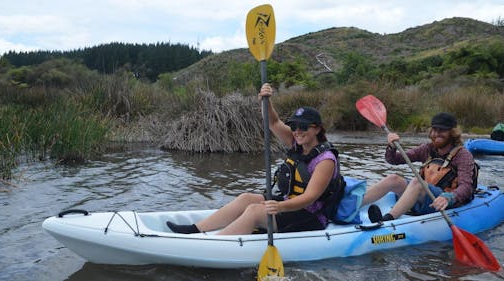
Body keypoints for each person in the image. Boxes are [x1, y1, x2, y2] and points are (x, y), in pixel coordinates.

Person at [166, 83, 344, 235]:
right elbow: (273, 123)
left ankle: (216, 242)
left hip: (310, 217)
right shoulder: (296, 143)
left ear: (317, 129)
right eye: (294, 126)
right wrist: (266, 101)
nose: (297, 131)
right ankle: (195, 230)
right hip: (290, 204)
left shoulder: (325, 160)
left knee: (254, 211)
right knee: (246, 198)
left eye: (303, 126)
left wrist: (279, 207)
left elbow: (310, 198)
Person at [362, 112, 477, 222]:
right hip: (425, 198)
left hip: (444, 203)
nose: (436, 134)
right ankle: (352, 207)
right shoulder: (427, 149)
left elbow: (466, 187)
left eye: (442, 131)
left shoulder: (463, 155)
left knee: (417, 182)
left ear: (452, 133)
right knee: (393, 179)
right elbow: (394, 160)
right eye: (434, 130)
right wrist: (392, 147)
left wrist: (449, 198)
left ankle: (387, 220)